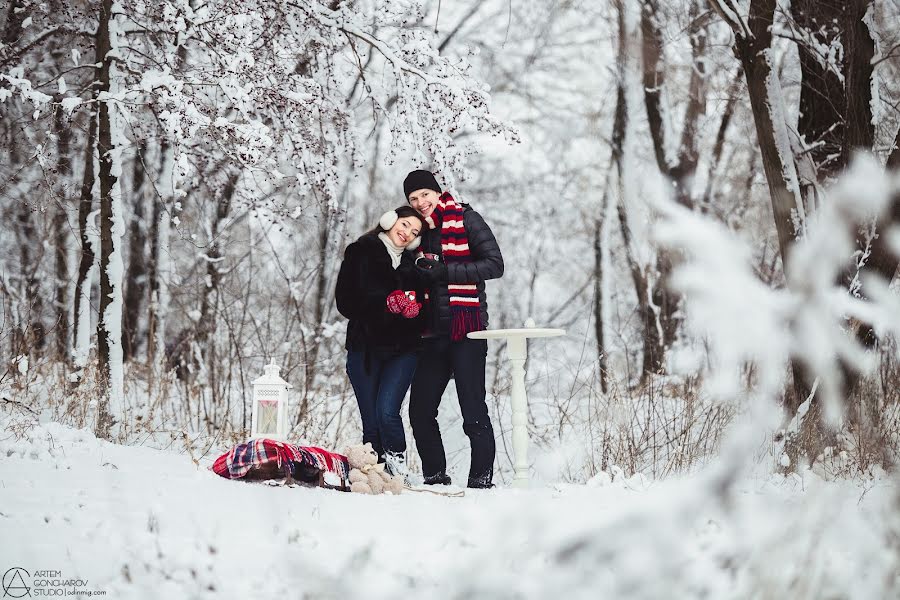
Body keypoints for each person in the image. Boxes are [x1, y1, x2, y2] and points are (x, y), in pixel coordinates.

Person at [404, 169, 504, 488]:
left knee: (472, 411)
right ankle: (435, 478)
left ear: (437, 192)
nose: (420, 202)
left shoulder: (466, 219)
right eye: (413, 198)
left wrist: (445, 271)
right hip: (430, 335)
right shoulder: (414, 232)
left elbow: (494, 264)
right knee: (420, 411)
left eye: (425, 195)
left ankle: (480, 480)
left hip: (467, 330)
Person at [335, 206, 427, 478]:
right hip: (365, 348)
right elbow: (345, 302)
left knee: (388, 412)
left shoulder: (414, 267)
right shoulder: (359, 252)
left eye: (414, 232)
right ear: (391, 219)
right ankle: (374, 475)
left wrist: (415, 312)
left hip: (404, 350)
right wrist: (384, 304)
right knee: (372, 422)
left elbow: (422, 310)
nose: (407, 233)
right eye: (405, 224)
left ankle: (398, 472)